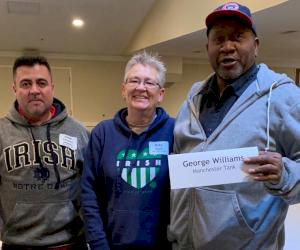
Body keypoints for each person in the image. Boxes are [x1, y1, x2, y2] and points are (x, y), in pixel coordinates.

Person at [168, 2, 300, 250]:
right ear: (208, 48)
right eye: (219, 39)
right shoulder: (194, 98)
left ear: (256, 45)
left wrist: (285, 174)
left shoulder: (283, 97)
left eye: (238, 37)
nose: (227, 47)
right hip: (183, 243)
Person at [81, 51, 174, 250]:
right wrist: (98, 244)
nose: (141, 87)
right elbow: (89, 194)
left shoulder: (176, 132)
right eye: (134, 81)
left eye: (149, 82)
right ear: (123, 90)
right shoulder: (103, 133)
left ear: (161, 94)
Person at [0, 56, 90, 249]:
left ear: (52, 87)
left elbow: (91, 188)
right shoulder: (1, 132)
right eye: (25, 83)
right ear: (14, 89)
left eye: (41, 83)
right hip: (17, 244)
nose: (34, 90)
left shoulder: (79, 132)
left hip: (70, 243)